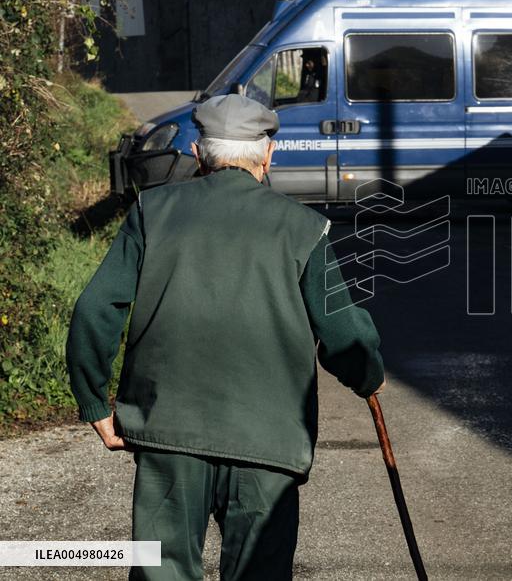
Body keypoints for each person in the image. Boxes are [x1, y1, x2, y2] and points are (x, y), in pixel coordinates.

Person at [66, 94, 384, 580]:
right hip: (268, 442)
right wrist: (368, 376)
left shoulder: (152, 212)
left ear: (198, 152)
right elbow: (343, 332)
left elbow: (95, 308)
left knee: (161, 570)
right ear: (268, 155)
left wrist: (95, 404)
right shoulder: (303, 228)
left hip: (168, 432)